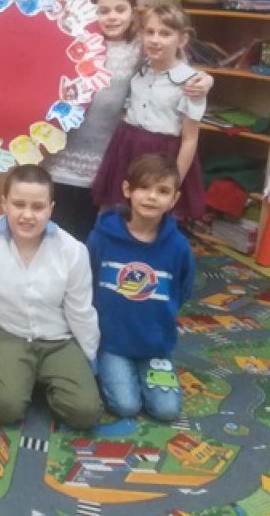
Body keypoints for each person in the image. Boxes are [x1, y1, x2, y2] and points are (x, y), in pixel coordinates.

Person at [46, 0, 212, 241]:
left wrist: (207, 79)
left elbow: (173, 60)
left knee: (106, 224)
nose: (112, 17)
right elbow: (45, 26)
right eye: (103, 10)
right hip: (70, 148)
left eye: (120, 9)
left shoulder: (139, 49)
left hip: (111, 153)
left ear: (133, 12)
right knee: (60, 220)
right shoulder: (78, 40)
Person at [0, 165, 101, 429]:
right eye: (18, 204)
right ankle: (18, 378)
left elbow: (81, 311)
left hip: (58, 339)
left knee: (86, 412)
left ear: (51, 208)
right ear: (4, 203)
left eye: (38, 207)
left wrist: (91, 361)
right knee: (3, 408)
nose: (27, 215)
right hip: (8, 333)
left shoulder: (72, 250)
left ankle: (32, 378)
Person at [89, 154, 195, 422]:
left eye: (163, 191)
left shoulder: (179, 247)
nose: (151, 197)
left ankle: (141, 370)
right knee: (126, 406)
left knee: (167, 410)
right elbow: (86, 281)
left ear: (174, 199)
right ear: (127, 190)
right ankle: (109, 371)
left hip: (155, 345)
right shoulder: (102, 237)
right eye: (144, 187)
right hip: (111, 342)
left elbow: (182, 290)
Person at [92, 4, 206, 221]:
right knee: (117, 214)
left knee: (151, 218)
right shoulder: (140, 69)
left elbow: (190, 139)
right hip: (127, 149)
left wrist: (174, 181)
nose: (155, 40)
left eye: (165, 34)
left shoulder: (192, 83)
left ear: (182, 40)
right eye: (150, 32)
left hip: (162, 155)